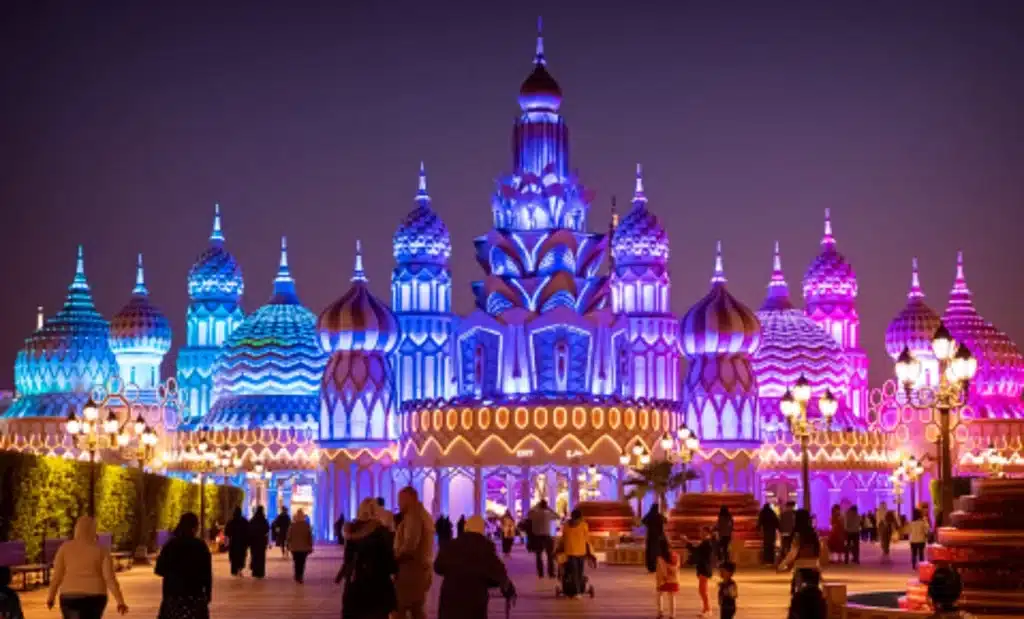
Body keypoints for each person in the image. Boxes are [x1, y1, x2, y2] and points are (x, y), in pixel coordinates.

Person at [45, 515, 128, 619]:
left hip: (69, 596)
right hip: (95, 597)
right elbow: (109, 578)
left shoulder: (65, 549)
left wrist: (51, 597)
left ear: (76, 529)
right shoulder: (102, 550)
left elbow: (57, 576)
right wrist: (120, 601)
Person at [434, 514, 512, 619]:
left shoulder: (451, 545)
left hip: (450, 601)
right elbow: (498, 574)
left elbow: (438, 567)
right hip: (475, 602)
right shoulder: (486, 547)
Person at [337, 498, 397, 619]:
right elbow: (389, 561)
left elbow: (347, 559)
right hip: (377, 584)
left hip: (355, 584)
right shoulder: (381, 532)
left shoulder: (351, 531)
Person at [154, 512, 213, 619]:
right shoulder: (200, 546)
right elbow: (207, 573)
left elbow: (159, 570)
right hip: (195, 597)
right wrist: (208, 594)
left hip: (173, 598)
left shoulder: (170, 545)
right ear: (195, 527)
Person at [394, 486, 435, 619]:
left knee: (398, 609)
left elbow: (410, 545)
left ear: (409, 499)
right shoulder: (424, 514)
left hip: (410, 571)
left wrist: (395, 558)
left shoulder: (414, 516)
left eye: (400, 499)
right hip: (421, 571)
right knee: (417, 609)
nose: (398, 503)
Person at [779, 509, 821, 594]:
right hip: (814, 565)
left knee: (796, 588)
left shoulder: (797, 535)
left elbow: (793, 553)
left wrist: (782, 565)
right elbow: (818, 550)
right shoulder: (813, 533)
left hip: (800, 566)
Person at [559, 508, 593, 598]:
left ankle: (577, 590)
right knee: (576, 572)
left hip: (576, 552)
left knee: (577, 572)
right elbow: (587, 540)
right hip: (574, 553)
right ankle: (578, 592)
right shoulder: (583, 525)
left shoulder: (567, 525)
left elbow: (563, 539)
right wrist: (590, 553)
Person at [682, 527, 715, 618]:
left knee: (703, 591)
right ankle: (705, 609)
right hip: (703, 569)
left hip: (705, 569)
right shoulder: (705, 543)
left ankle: (708, 609)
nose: (701, 534)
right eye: (701, 532)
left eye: (703, 532)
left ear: (707, 533)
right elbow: (697, 552)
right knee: (703, 590)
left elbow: (697, 552)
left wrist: (687, 541)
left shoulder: (707, 543)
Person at [527, 499, 559, 579]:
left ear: (539, 505)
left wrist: (536, 506)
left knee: (538, 556)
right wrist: (548, 508)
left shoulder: (534, 514)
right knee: (550, 556)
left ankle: (541, 573)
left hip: (537, 537)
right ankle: (551, 573)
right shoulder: (548, 514)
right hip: (547, 536)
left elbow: (528, 514)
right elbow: (557, 516)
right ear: (545, 506)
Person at [654, 538, 680, 619]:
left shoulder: (660, 557)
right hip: (674, 579)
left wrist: (665, 577)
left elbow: (663, 569)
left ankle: (660, 612)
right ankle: (672, 614)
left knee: (659, 595)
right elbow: (677, 566)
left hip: (663, 580)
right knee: (672, 597)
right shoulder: (676, 555)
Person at [287, 508, 314, 584]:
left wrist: (288, 544)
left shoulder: (292, 525)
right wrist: (310, 545)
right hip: (304, 548)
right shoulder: (306, 525)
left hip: (294, 548)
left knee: (296, 562)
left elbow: (289, 536)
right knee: (302, 562)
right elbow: (310, 537)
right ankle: (300, 576)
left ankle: (296, 575)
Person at [224, 507, 249, 577]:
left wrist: (226, 542)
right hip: (242, 543)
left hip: (233, 543)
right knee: (241, 557)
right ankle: (240, 570)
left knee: (234, 557)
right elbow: (248, 532)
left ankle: (235, 571)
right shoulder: (244, 521)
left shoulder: (231, 521)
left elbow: (227, 533)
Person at [642, 504, 666, 573]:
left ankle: (650, 567)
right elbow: (665, 520)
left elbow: (643, 521)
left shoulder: (649, 515)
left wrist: (649, 525)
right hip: (658, 537)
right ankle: (657, 567)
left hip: (650, 536)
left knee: (650, 552)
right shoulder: (659, 516)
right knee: (657, 552)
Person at [248, 506, 271, 579]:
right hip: (261, 541)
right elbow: (267, 529)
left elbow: (249, 529)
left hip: (253, 541)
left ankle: (255, 572)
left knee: (254, 556)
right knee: (261, 557)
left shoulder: (253, 519)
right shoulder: (264, 520)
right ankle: (260, 573)